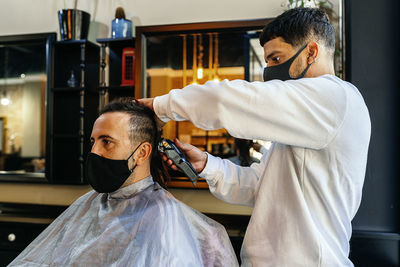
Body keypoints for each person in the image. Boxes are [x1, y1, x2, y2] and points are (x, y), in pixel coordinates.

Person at [138, 8, 371, 266]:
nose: (268, 69)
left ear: (311, 52)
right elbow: (261, 188)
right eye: (267, 61)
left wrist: (162, 107)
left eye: (275, 58)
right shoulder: (305, 121)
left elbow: (227, 101)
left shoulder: (336, 99)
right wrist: (207, 165)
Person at [9, 98, 238, 266]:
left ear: (141, 153)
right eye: (93, 142)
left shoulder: (169, 222)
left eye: (106, 142)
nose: (94, 152)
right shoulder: (88, 204)